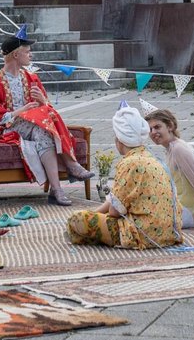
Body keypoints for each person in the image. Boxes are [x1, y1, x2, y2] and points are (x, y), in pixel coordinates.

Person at [0, 32, 92, 206]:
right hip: (9, 128)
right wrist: (21, 111)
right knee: (42, 125)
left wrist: (43, 101)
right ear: (16, 55)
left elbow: (47, 111)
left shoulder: (32, 78)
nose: (31, 55)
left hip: (36, 127)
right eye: (27, 51)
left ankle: (57, 190)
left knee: (42, 130)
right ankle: (70, 166)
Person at [67, 106, 183, 249]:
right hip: (170, 233)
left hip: (142, 234)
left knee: (77, 219)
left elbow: (114, 211)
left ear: (119, 140)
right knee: (93, 218)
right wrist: (96, 213)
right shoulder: (152, 157)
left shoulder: (129, 162)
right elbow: (116, 200)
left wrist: (91, 216)